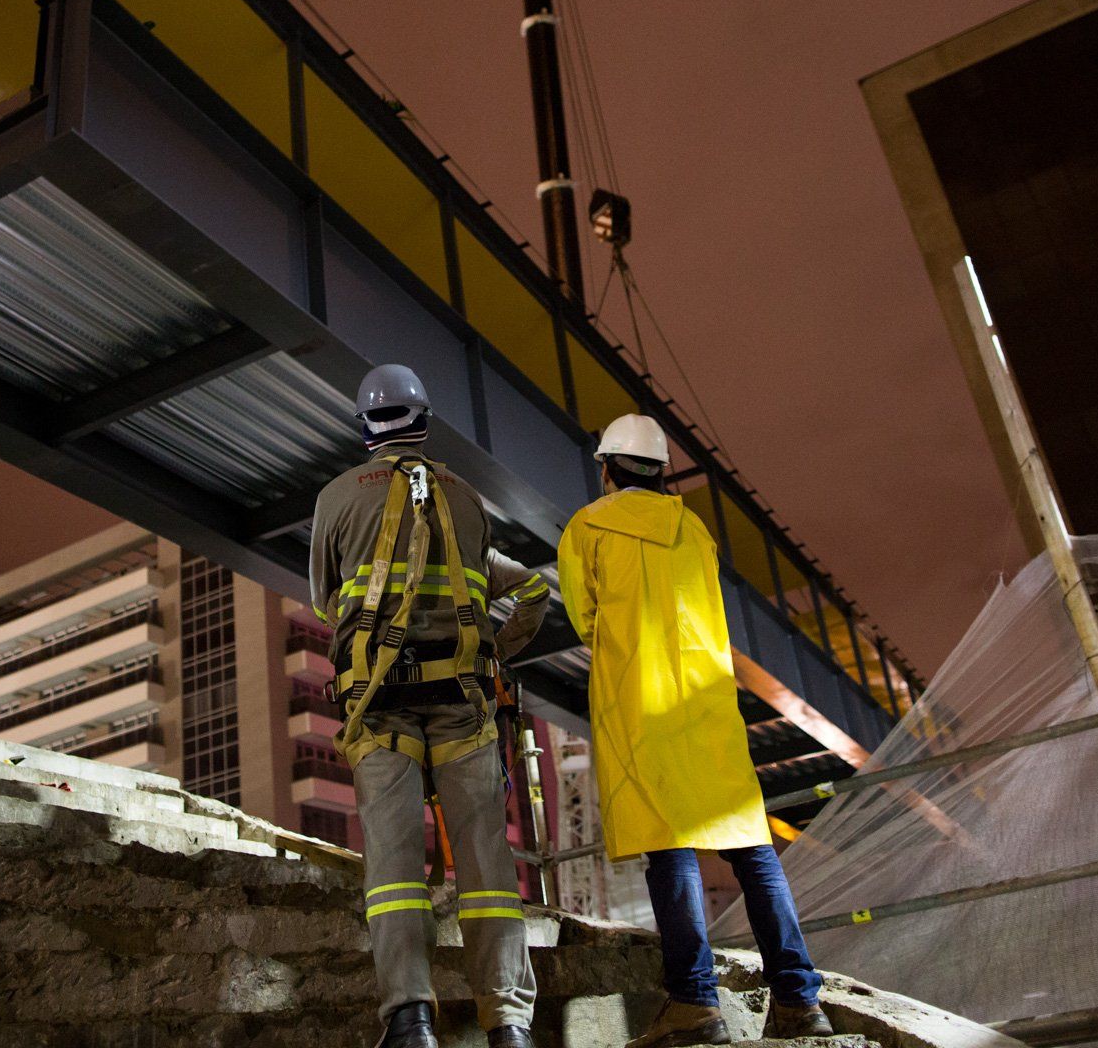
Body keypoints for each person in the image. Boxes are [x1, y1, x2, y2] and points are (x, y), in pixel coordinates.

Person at [556, 414, 833, 1048]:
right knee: (754, 852)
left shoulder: (587, 528)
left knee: (671, 851)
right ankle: (799, 999)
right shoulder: (694, 528)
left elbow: (585, 619)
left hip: (642, 708)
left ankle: (694, 1005)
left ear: (608, 469)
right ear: (661, 472)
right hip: (707, 708)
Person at [311, 364, 552, 1048]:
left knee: (392, 866)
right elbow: (529, 590)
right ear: (424, 422)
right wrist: (496, 651)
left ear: (366, 427)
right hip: (463, 704)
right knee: (487, 864)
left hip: (379, 706)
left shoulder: (337, 497)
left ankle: (410, 1018)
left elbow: (326, 603)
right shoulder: (468, 497)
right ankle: (509, 1022)